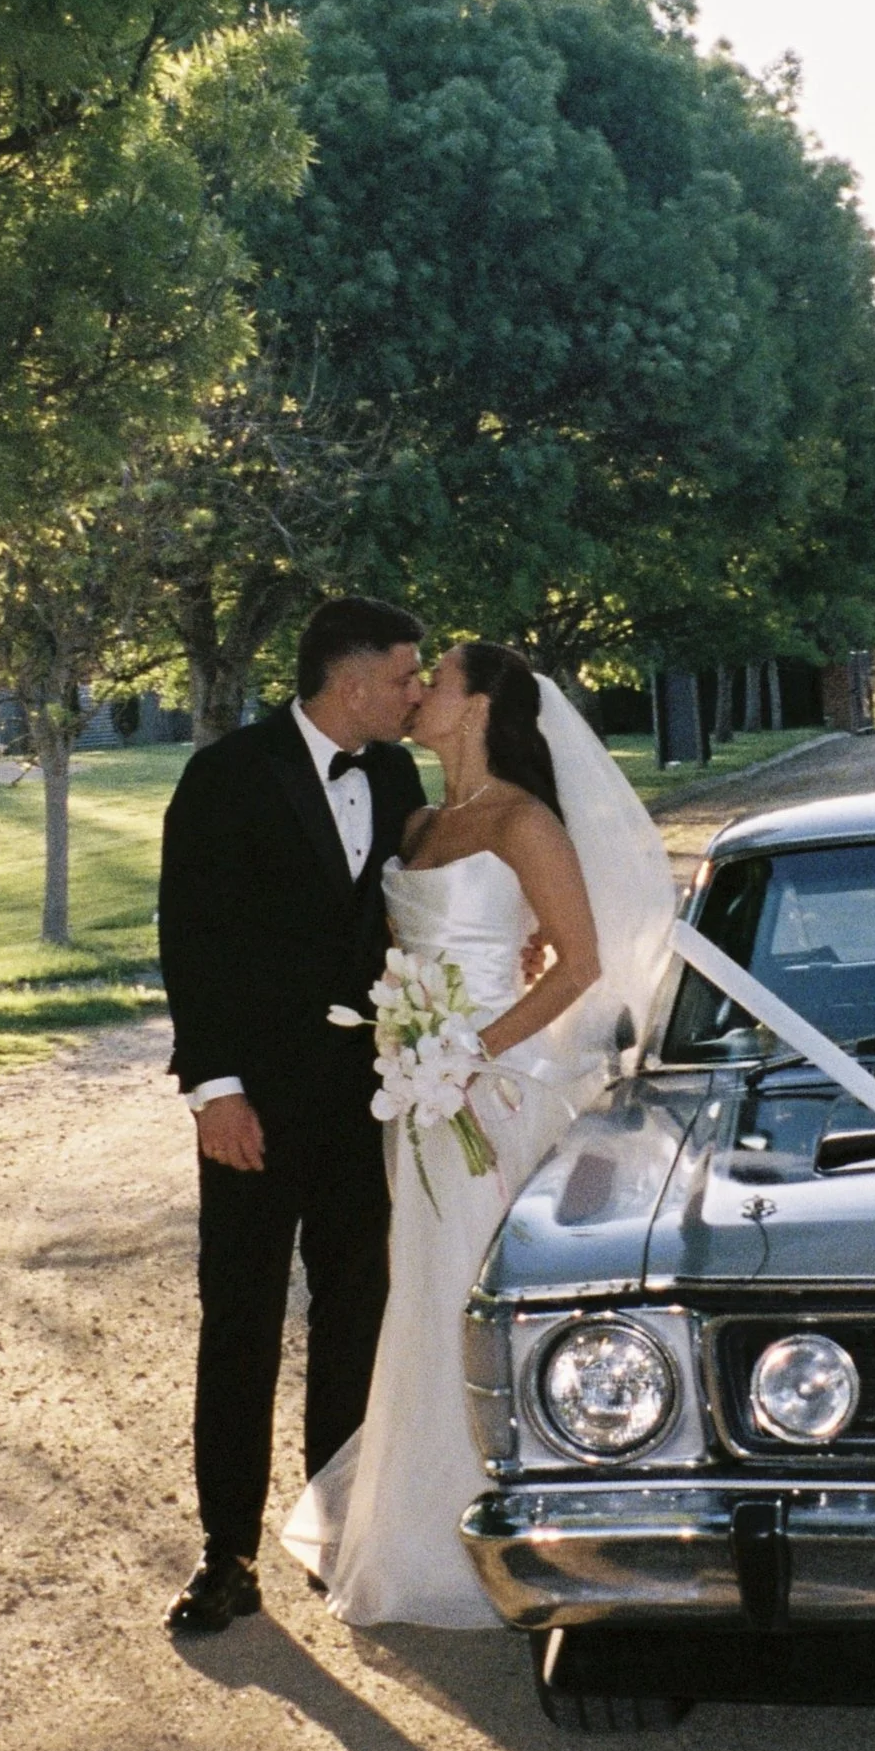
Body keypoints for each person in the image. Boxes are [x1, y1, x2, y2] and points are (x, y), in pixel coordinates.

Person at [282, 642, 678, 1626]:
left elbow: (578, 960)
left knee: (476, 1283)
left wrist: (469, 1050)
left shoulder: (521, 818)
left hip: (493, 1090)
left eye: (437, 680)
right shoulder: (418, 821)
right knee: (419, 1287)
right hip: (417, 1099)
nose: (418, 694)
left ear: (480, 705)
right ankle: (417, 1523)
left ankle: (515, 1511)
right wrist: (413, 1043)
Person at [157, 595, 427, 1636]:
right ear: (351, 679)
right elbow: (193, 935)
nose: (414, 692)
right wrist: (213, 1089)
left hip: (365, 1094)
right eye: (404, 675)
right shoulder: (226, 774)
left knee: (356, 1312)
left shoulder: (396, 773)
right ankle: (223, 1552)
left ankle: (335, 1526)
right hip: (255, 1101)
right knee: (241, 1319)